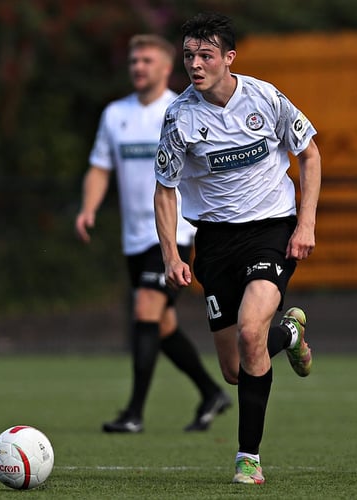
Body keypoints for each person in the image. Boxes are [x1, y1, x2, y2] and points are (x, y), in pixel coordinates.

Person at [153, 13, 320, 484]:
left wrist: (304, 223)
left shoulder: (265, 98)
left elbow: (308, 154)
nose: (195, 63)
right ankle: (289, 334)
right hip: (214, 242)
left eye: (206, 55)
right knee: (234, 369)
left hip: (271, 229)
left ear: (229, 58)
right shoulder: (179, 116)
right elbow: (164, 189)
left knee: (250, 335)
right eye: (188, 55)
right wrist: (171, 255)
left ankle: (248, 457)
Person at [76, 34, 231, 434]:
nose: (138, 67)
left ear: (166, 68)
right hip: (133, 236)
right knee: (160, 326)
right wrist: (89, 208)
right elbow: (99, 166)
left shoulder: (181, 110)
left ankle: (133, 414)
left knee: (145, 310)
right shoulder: (115, 115)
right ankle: (211, 392)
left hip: (172, 235)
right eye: (134, 61)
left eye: (147, 60)